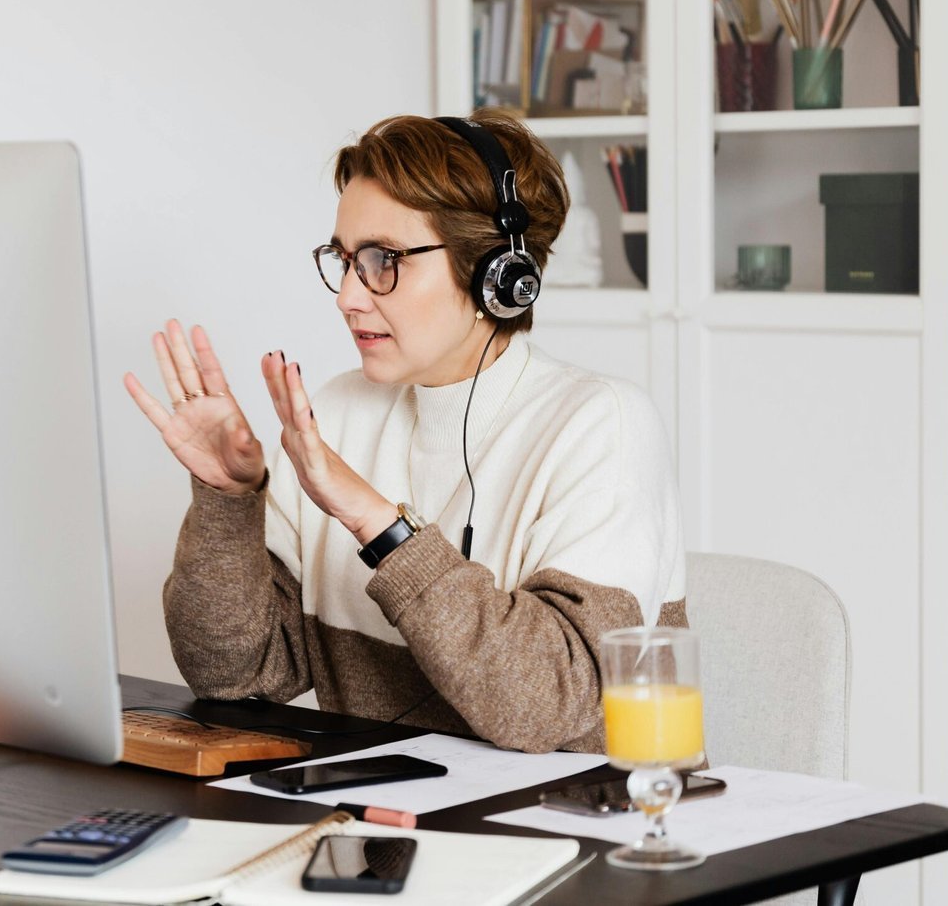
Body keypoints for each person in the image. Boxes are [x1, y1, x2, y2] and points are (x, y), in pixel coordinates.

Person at [123, 111, 684, 755]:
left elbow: (549, 709)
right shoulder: (335, 412)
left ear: (493, 272)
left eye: (382, 259)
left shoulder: (600, 423)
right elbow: (235, 672)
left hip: (586, 833)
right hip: (390, 835)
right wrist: (227, 500)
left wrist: (376, 522)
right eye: (343, 260)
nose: (348, 297)